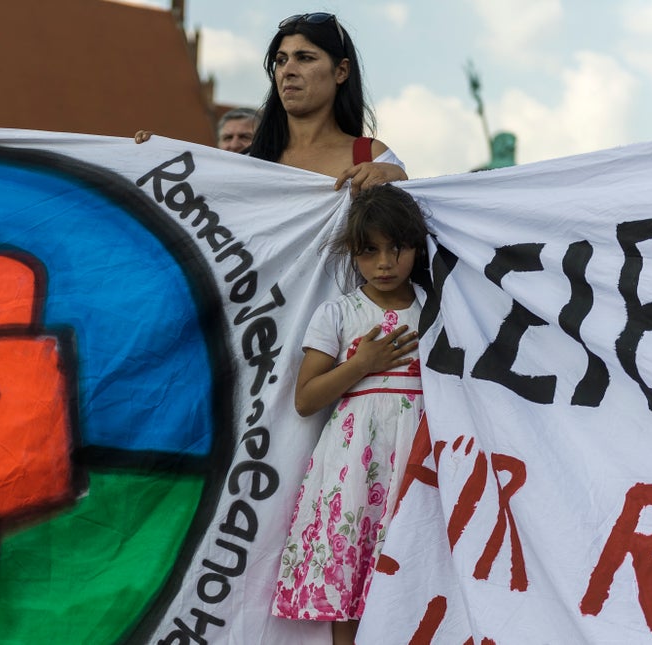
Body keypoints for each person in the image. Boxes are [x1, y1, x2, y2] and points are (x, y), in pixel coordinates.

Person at [271, 184, 428, 645]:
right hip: (354, 460)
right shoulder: (338, 313)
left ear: (416, 248)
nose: (383, 262)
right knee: (352, 563)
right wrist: (361, 364)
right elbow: (306, 398)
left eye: (396, 248)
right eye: (369, 251)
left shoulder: (436, 311)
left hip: (417, 456)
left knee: (409, 565)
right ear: (352, 255)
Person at [248, 13, 407, 194]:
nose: (287, 71)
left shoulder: (373, 158)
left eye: (305, 58)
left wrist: (401, 181)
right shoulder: (246, 162)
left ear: (341, 71)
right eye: (281, 61)